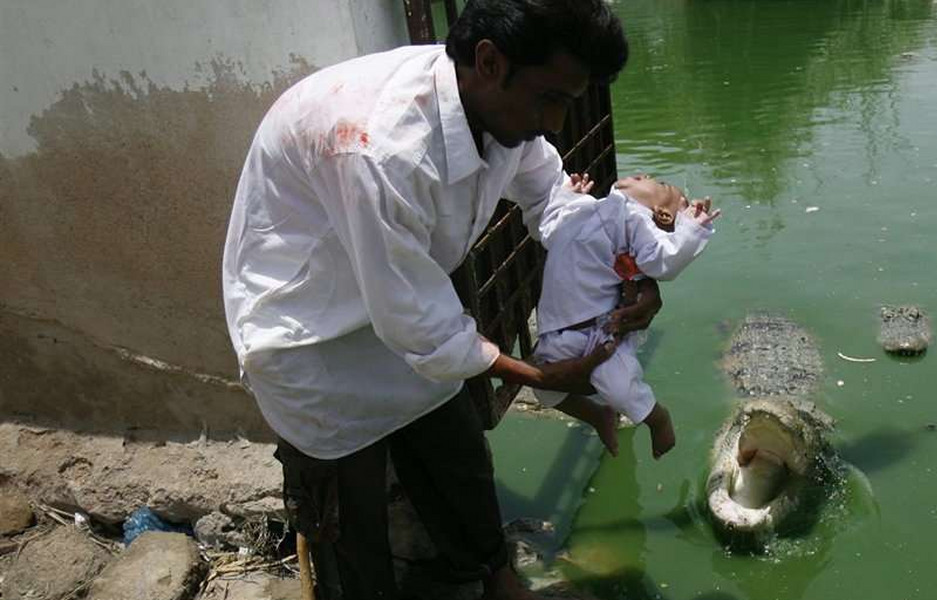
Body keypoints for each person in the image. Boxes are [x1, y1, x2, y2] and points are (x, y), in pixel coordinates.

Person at [221, 1, 655, 598]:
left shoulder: (500, 107)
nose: (555, 122)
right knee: (351, 526)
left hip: (403, 301)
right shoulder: (379, 148)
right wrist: (537, 373)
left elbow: (552, 200)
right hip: (312, 339)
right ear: (488, 60)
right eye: (548, 99)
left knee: (458, 461)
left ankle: (494, 578)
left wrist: (630, 270)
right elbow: (417, 327)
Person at [530, 173, 719, 460]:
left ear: (662, 213)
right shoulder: (589, 207)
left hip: (599, 330)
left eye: (660, 184)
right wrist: (567, 197)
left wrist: (692, 228)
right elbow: (549, 229)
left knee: (619, 388)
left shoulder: (634, 220)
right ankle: (597, 415)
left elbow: (663, 260)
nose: (645, 175)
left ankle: (657, 418)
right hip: (559, 329)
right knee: (542, 389)